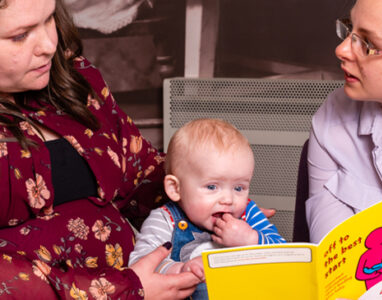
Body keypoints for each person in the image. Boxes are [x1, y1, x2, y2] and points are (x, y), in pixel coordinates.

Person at [0, 0, 203, 298]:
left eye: (49, 19)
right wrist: (125, 291)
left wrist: (210, 197)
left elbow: (139, 175)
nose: (48, 44)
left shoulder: (77, 79)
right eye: (20, 35)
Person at [306, 0, 382, 297]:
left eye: (368, 44)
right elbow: (337, 262)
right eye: (349, 29)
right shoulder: (333, 116)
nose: (342, 49)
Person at [129, 118, 286, 299]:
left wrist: (251, 239)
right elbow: (141, 263)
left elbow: (285, 253)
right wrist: (179, 270)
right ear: (175, 188)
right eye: (212, 187)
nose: (228, 199)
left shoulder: (248, 213)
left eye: (239, 188)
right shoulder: (164, 220)